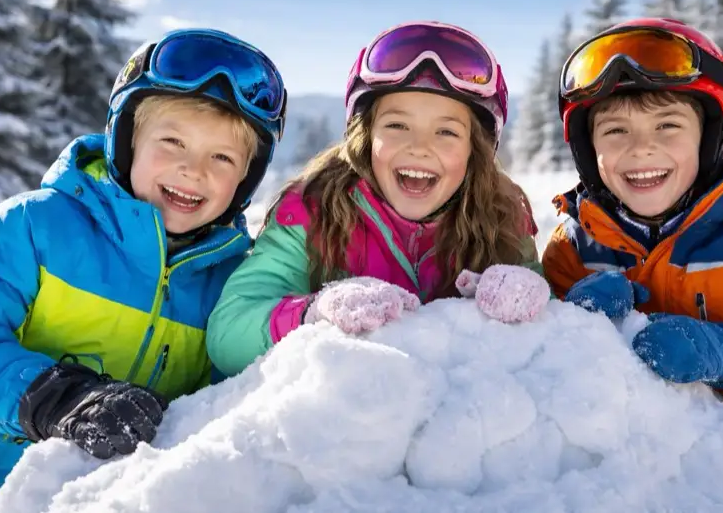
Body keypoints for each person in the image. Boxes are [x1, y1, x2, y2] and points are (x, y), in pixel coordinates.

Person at [0, 28, 287, 505]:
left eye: (222, 157)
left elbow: (233, 408)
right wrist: (52, 397)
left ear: (246, 182)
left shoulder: (229, 286)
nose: (194, 169)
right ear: (125, 143)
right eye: (173, 142)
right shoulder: (36, 227)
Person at [207, 21, 550, 377]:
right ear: (366, 136)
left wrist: (530, 299)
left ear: (474, 151)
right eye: (397, 126)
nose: (419, 147)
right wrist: (312, 312)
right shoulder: (313, 211)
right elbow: (229, 333)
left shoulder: (499, 217)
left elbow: (559, 337)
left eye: (446, 132)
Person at [542, 17, 723, 423]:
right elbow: (543, 380)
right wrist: (565, 327)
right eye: (615, 130)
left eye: (667, 125)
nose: (641, 148)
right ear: (588, 151)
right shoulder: (573, 247)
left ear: (713, 136)